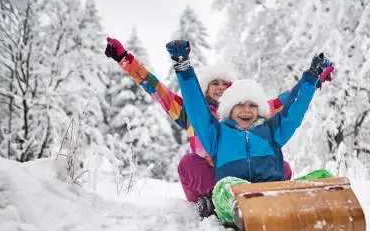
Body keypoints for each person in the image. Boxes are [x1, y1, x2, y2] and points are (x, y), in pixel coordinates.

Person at [104, 37, 323, 217]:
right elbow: (157, 90)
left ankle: (262, 203)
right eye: (214, 84)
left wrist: (311, 80)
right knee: (188, 163)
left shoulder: (249, 112)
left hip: (250, 176)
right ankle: (216, 206)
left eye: (225, 84)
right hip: (212, 180)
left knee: (282, 166)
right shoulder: (191, 112)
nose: (219, 88)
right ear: (205, 88)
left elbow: (285, 105)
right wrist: (125, 60)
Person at [166, 39, 335, 228]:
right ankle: (247, 217)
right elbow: (196, 109)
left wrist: (311, 78)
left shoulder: (272, 131)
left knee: (323, 176)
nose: (246, 110)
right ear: (228, 109)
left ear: (260, 110)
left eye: (253, 105)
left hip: (274, 198)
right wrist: (183, 68)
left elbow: (294, 109)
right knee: (224, 187)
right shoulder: (218, 135)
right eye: (239, 105)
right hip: (238, 200)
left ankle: (328, 215)